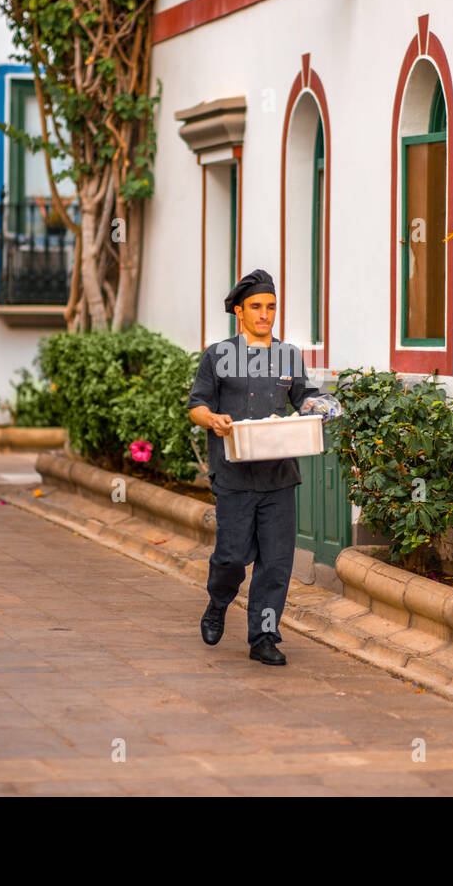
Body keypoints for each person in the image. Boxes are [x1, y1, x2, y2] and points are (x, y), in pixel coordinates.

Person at [186, 269, 321, 665]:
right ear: (240, 313)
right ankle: (218, 602)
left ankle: (264, 637)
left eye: (271, 307)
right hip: (234, 475)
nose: (265, 314)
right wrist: (213, 420)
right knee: (230, 556)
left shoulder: (288, 356)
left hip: (279, 476)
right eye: (257, 307)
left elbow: (305, 398)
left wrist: (320, 407)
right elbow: (197, 406)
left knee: (276, 563)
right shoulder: (217, 356)